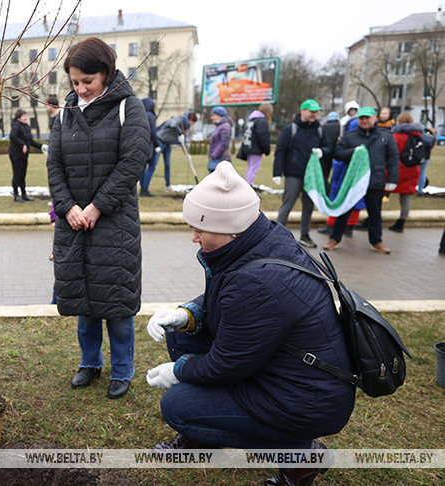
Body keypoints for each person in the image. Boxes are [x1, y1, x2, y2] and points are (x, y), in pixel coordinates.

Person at [145, 161, 354, 486]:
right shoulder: (261, 238)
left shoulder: (259, 281)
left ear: (231, 227)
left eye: (200, 228)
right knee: (181, 337)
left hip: (305, 399)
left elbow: (228, 364)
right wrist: (188, 313)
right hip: (289, 372)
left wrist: (179, 371)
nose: (194, 237)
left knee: (177, 406)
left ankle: (302, 457)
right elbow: (232, 303)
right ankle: (206, 432)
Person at [46, 37, 151, 400]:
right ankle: (89, 363)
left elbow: (132, 163)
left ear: (105, 72)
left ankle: (122, 370)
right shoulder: (65, 113)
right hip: (74, 224)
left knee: (117, 303)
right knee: (82, 301)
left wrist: (97, 206)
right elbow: (54, 166)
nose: (80, 88)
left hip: (114, 224)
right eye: (74, 82)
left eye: (87, 81)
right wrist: (68, 207)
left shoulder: (129, 108)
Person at [323, 107, 399, 253]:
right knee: (344, 211)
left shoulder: (386, 136)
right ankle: (334, 239)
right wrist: (353, 152)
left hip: (375, 180)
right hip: (353, 182)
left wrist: (393, 180)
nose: (364, 121)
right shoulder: (349, 136)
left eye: (367, 118)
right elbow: (338, 154)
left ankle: (376, 241)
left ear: (374, 118)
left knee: (375, 214)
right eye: (361, 118)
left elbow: (393, 159)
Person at [274, 99, 330, 249]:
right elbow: (280, 151)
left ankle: (304, 235)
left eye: (316, 112)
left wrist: (322, 151)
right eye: (312, 111)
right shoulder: (290, 129)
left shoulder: (319, 129)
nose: (314, 114)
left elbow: (327, 147)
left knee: (308, 207)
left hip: (312, 176)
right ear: (303, 111)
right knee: (287, 205)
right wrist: (277, 172)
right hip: (294, 174)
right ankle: (277, 236)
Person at [386, 112, 424, 233]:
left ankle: (372, 218)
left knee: (381, 193)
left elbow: (390, 153)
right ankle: (401, 222)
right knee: (406, 197)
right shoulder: (419, 136)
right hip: (413, 169)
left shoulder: (396, 135)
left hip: (397, 169)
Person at [8, 108, 44, 202]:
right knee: (17, 175)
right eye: (24, 116)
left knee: (22, 175)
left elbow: (30, 141)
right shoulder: (16, 126)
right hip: (16, 155)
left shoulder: (26, 126)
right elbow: (12, 136)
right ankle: (16, 195)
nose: (26, 118)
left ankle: (24, 195)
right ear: (19, 117)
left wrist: (41, 146)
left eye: (26, 116)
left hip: (24, 156)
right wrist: (22, 144)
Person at [154, 111, 198, 188]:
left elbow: (183, 141)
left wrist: (187, 154)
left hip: (168, 144)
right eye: (193, 123)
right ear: (191, 120)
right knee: (154, 163)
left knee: (167, 165)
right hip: (160, 141)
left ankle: (168, 185)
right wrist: (180, 133)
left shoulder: (185, 126)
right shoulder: (180, 119)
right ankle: (144, 187)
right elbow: (173, 124)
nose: (192, 125)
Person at [238, 102, 272, 185]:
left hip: (249, 147)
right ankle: (248, 187)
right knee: (253, 169)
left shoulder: (252, 119)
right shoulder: (262, 121)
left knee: (250, 168)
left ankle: (247, 185)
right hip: (255, 149)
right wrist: (267, 149)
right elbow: (263, 137)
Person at [138, 97, 160, 197]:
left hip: (140, 145)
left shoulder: (138, 113)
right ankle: (145, 189)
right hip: (149, 145)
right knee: (151, 167)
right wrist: (157, 144)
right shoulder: (150, 115)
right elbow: (153, 132)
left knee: (142, 168)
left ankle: (142, 189)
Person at [207, 106, 233, 172]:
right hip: (217, 158)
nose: (211, 117)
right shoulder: (220, 126)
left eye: (213, 115)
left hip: (221, 159)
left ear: (219, 116)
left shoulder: (225, 127)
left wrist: (214, 155)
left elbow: (224, 143)